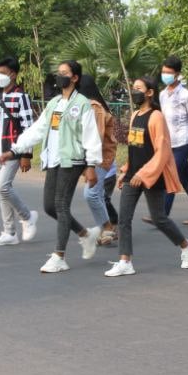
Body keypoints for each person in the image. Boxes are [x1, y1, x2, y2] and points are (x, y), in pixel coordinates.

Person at [3, 60, 102, 273]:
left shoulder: (82, 104)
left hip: (72, 160)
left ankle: (59, 256)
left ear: (74, 78)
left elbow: (91, 136)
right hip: (53, 159)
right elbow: (38, 129)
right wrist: (16, 149)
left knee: (61, 205)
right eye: (59, 73)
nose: (60, 76)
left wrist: (92, 165)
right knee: (49, 206)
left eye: (64, 73)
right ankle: (85, 234)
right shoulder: (55, 103)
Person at [106, 76, 188, 276]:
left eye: (139, 88)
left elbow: (163, 151)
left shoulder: (156, 117)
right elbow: (134, 148)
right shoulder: (134, 115)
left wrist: (144, 173)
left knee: (159, 218)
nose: (134, 91)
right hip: (133, 175)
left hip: (153, 176)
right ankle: (125, 262)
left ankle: (187, 246)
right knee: (124, 219)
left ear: (149, 93)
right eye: (133, 88)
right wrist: (126, 171)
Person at [0, 57, 38, 246]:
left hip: (13, 150)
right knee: (2, 192)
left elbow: (28, 127)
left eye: (3, 73)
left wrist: (26, 155)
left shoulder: (21, 97)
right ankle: (9, 232)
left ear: (13, 74)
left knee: (2, 187)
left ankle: (27, 216)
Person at [158, 55, 188, 224]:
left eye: (169, 72)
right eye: (164, 72)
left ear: (177, 74)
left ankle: (162, 215)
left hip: (184, 141)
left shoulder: (186, 95)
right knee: (185, 177)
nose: (165, 75)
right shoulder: (162, 95)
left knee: (171, 173)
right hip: (168, 142)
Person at [77, 74, 119, 246]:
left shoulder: (93, 107)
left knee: (91, 194)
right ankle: (107, 229)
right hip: (95, 158)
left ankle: (108, 228)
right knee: (98, 195)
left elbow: (96, 138)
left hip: (99, 159)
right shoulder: (85, 105)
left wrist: (90, 165)